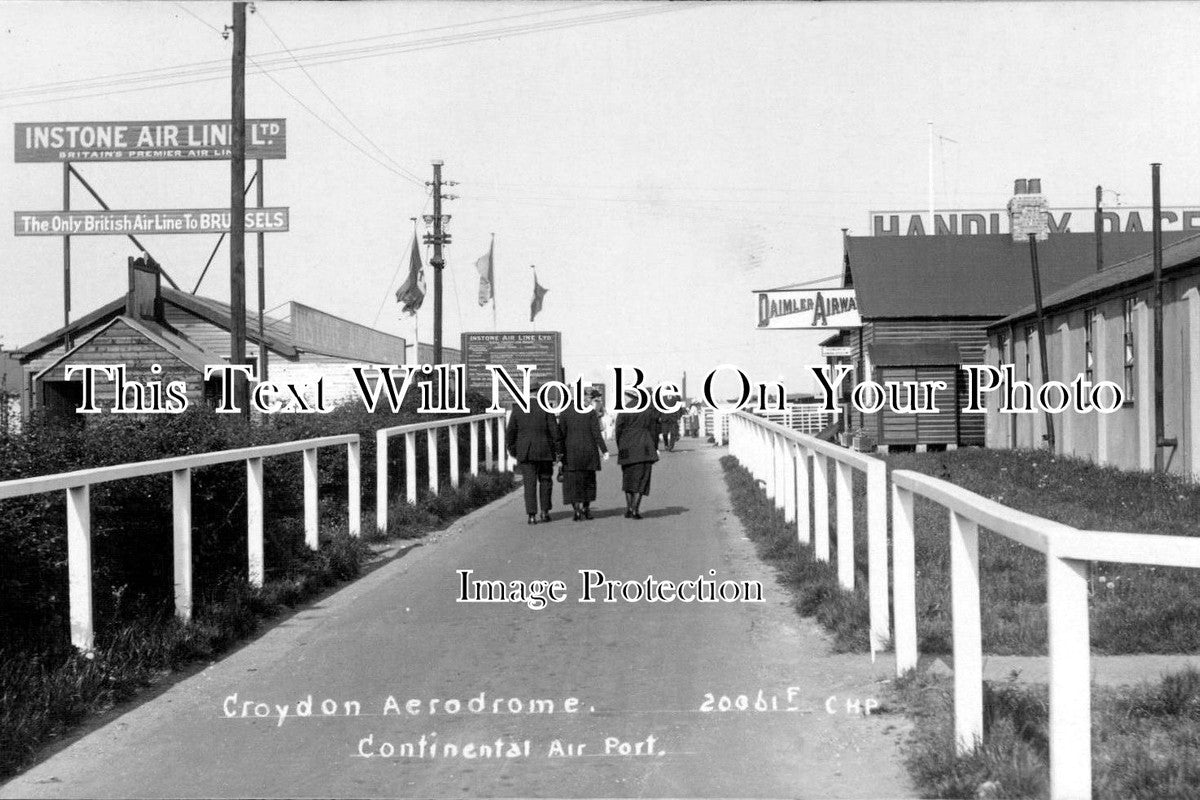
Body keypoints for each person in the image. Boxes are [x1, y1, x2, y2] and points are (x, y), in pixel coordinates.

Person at [557, 387, 609, 521]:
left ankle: (577, 510)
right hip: (589, 454)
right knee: (588, 483)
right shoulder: (590, 413)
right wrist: (604, 450)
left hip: (571, 455)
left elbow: (560, 436)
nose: (590, 401)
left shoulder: (565, 412)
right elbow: (596, 433)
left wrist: (559, 455)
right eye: (589, 398)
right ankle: (586, 509)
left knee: (572, 483)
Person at [506, 399, 560, 524]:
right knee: (546, 481)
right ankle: (545, 512)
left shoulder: (518, 408)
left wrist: (515, 451)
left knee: (529, 483)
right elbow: (555, 431)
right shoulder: (546, 407)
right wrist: (558, 451)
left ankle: (531, 515)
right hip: (545, 450)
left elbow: (510, 434)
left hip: (526, 452)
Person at [615, 391, 660, 520]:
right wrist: (654, 447)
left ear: (630, 396)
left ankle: (629, 508)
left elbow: (618, 429)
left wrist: (621, 446)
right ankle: (635, 509)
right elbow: (654, 430)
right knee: (642, 479)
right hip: (644, 446)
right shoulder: (647, 410)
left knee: (628, 478)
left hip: (627, 446)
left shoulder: (624, 409)